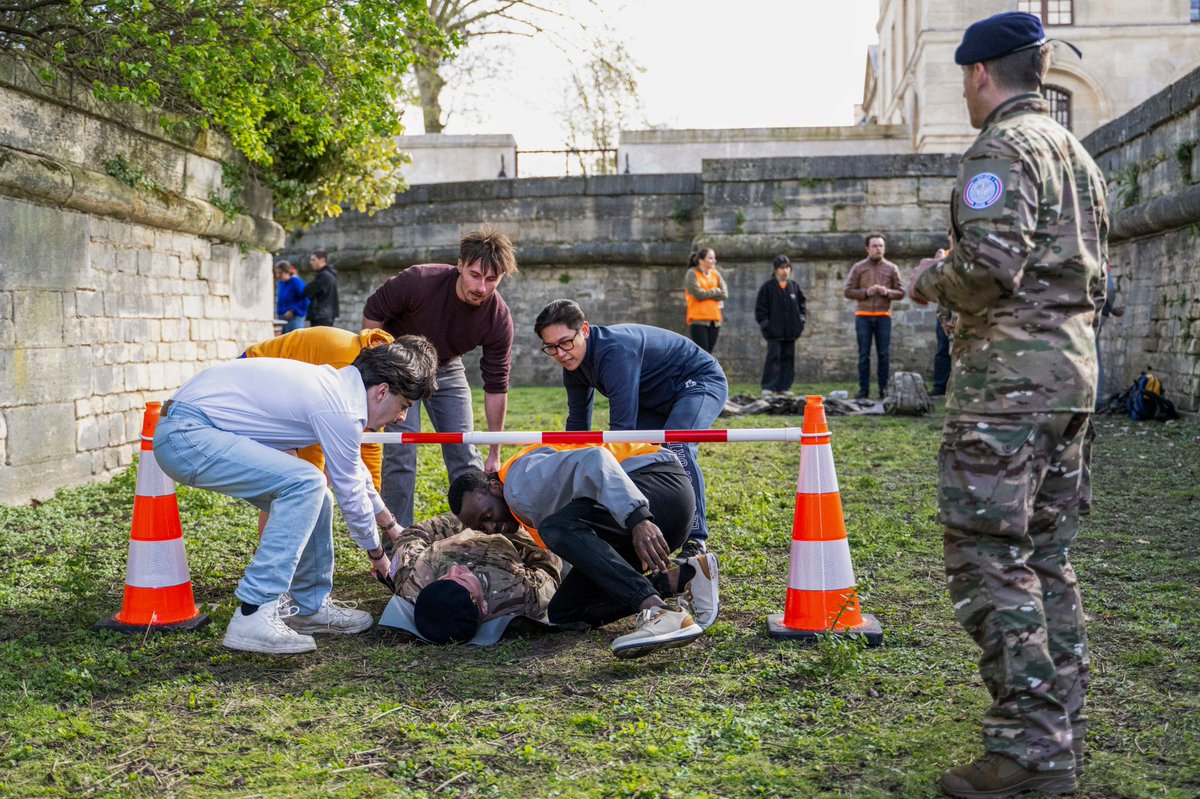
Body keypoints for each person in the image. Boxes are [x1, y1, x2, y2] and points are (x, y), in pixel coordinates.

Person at [907, 12, 1107, 798]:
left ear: (981, 73)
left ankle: (1029, 745)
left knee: (989, 555)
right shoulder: (1074, 153)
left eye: (963, 77)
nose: (963, 89)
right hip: (1071, 386)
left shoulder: (1003, 148)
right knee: (1047, 558)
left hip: (1009, 393)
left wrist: (929, 279)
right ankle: (1060, 731)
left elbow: (988, 266)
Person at [152, 339, 438, 654]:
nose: (401, 417)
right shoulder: (341, 405)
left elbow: (354, 473)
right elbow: (351, 492)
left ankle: (308, 607)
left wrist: (391, 528)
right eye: (405, 406)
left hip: (192, 428)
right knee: (308, 484)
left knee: (318, 495)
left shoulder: (340, 391)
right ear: (382, 391)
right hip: (186, 434)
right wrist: (377, 556)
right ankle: (253, 612)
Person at [447, 442, 719, 659]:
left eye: (486, 516)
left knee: (557, 528)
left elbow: (595, 459)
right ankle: (686, 577)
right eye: (483, 528)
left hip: (656, 488)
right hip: (644, 510)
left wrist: (639, 519)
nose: (492, 527)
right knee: (566, 611)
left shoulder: (518, 483)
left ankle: (659, 613)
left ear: (493, 487)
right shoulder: (522, 510)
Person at [534, 299, 728, 559]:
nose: (561, 354)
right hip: (654, 397)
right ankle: (654, 529)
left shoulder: (614, 352)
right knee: (643, 457)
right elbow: (577, 432)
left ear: (586, 330)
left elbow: (621, 433)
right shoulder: (573, 367)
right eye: (551, 347)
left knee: (676, 444)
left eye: (566, 342)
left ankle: (696, 539)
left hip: (699, 380)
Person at [361, 225, 516, 529]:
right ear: (459, 265)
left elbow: (496, 384)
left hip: (446, 364)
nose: (481, 288)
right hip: (398, 363)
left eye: (491, 280)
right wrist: (381, 366)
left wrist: (495, 451)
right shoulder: (420, 281)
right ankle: (398, 540)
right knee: (401, 454)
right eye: (474, 275)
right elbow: (373, 310)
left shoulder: (498, 318)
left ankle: (474, 535)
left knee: (464, 450)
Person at [242, 326, 394, 492]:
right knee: (299, 480)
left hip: (280, 388)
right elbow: (313, 430)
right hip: (251, 378)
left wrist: (374, 494)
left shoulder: (375, 366)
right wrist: (313, 481)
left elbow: (369, 439)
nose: (402, 417)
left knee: (302, 482)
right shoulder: (347, 366)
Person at [386, 513, 562, 644]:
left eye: (446, 576)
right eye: (463, 579)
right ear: (484, 607)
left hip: (467, 520)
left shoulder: (411, 580)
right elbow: (548, 566)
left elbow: (413, 535)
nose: (456, 569)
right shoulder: (520, 595)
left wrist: (470, 519)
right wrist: (507, 526)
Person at [844, 233, 905, 399]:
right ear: (867, 248)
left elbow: (901, 292)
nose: (879, 249)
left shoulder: (892, 268)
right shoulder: (858, 267)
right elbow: (848, 291)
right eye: (875, 246)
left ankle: (883, 390)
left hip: (883, 316)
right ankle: (863, 391)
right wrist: (866, 292)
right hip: (863, 316)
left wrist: (887, 292)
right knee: (864, 355)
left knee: (883, 355)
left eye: (881, 246)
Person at [754, 254, 808, 398]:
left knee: (788, 359)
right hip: (774, 332)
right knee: (774, 358)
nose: (785, 271)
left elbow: (802, 306)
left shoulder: (794, 287)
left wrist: (801, 321)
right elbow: (760, 310)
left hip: (791, 332)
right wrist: (767, 325)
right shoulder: (767, 288)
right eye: (781, 268)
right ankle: (768, 387)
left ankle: (784, 386)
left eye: (787, 268)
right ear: (775, 270)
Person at [684, 247, 729, 354]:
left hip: (715, 319)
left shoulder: (716, 274)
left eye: (714, 258)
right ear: (701, 260)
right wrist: (715, 291)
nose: (714, 261)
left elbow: (724, 293)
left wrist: (708, 293)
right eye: (710, 258)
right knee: (702, 354)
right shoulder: (692, 273)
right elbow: (698, 294)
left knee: (709, 354)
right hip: (699, 319)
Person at [1095, 264, 1124, 406]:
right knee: (1094, 356)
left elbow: (1109, 288)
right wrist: (1111, 308)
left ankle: (1096, 399)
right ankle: (1096, 399)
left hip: (1095, 311)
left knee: (1091, 356)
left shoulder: (1095, 250)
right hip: (1101, 310)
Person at [304, 249, 339, 328]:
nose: (311, 262)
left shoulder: (324, 276)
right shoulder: (329, 274)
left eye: (313, 260)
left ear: (322, 260)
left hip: (321, 315)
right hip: (325, 314)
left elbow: (307, 291)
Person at [274, 260, 308, 333]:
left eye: (280, 273)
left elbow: (305, 299)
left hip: (295, 318)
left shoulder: (297, 282)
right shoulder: (281, 283)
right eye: (277, 273)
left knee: (295, 340)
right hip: (283, 318)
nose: (277, 276)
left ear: (287, 272)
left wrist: (293, 310)